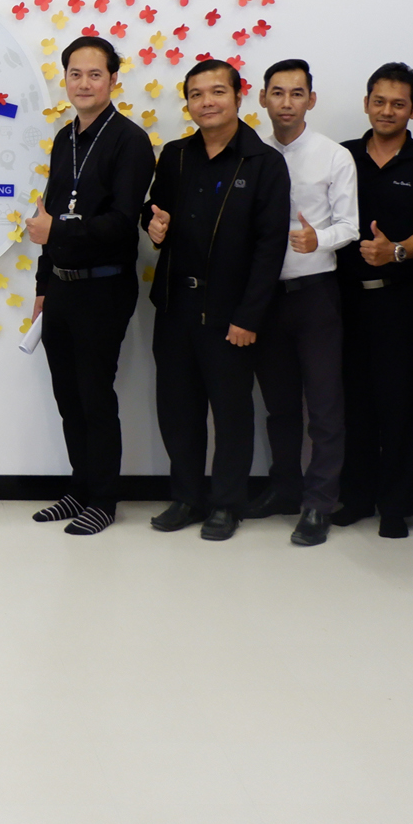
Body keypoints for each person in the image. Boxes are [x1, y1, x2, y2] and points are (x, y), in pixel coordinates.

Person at [144, 60, 291, 541]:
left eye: (217, 92)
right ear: (187, 102)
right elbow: (154, 210)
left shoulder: (263, 162)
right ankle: (187, 497)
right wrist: (153, 223)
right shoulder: (175, 155)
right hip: (176, 306)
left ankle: (227, 503)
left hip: (231, 314)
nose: (207, 102)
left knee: (231, 413)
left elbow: (271, 247)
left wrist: (249, 316)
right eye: (196, 94)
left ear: (238, 96)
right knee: (177, 409)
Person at [26, 36, 157, 535]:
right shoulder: (65, 137)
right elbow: (48, 215)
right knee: (68, 397)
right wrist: (42, 287)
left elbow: (123, 224)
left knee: (95, 397)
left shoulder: (130, 140)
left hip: (104, 288)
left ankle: (103, 498)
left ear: (113, 80)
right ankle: (79, 489)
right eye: (75, 74)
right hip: (61, 287)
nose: (84, 83)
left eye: (95, 74)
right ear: (65, 79)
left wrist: (58, 231)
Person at [245, 58, 359, 546]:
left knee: (326, 406)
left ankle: (319, 503)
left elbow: (350, 226)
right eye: (277, 92)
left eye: (297, 93)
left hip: (315, 295)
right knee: (280, 405)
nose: (286, 102)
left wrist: (319, 240)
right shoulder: (252, 154)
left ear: (311, 100)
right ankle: (284, 490)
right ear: (263, 98)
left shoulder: (334, 156)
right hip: (265, 297)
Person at [337, 62, 413, 538]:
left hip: (402, 301)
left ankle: (396, 507)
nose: (387, 110)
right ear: (366, 103)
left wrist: (394, 252)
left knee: (398, 404)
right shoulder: (343, 156)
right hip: (344, 299)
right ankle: (356, 497)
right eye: (379, 101)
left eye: (398, 104)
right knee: (353, 402)